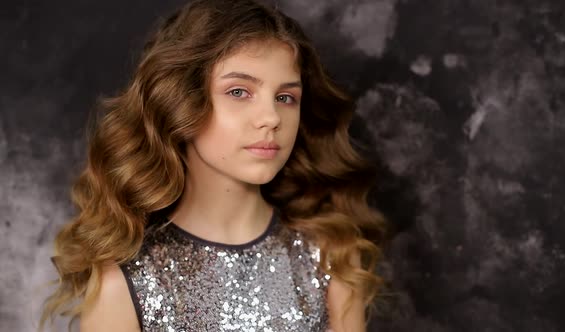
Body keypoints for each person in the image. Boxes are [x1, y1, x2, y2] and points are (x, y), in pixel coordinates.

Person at [39, 0, 385, 331]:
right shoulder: (123, 281)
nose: (270, 118)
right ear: (180, 102)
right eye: (238, 91)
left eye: (285, 97)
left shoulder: (330, 256)